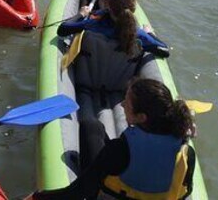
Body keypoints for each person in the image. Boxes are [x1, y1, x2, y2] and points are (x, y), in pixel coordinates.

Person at [33, 78, 196, 200]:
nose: (122, 105)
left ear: (141, 117)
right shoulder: (187, 153)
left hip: (110, 185)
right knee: (97, 131)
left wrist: (37, 196)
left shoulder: (119, 150)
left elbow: (77, 193)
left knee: (90, 126)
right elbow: (184, 193)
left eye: (127, 103)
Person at [57, 0, 170, 57]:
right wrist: (149, 33)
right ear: (133, 10)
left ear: (108, 6)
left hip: (89, 75)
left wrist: (81, 14)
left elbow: (62, 29)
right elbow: (164, 50)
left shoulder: (92, 24)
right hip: (120, 83)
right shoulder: (138, 34)